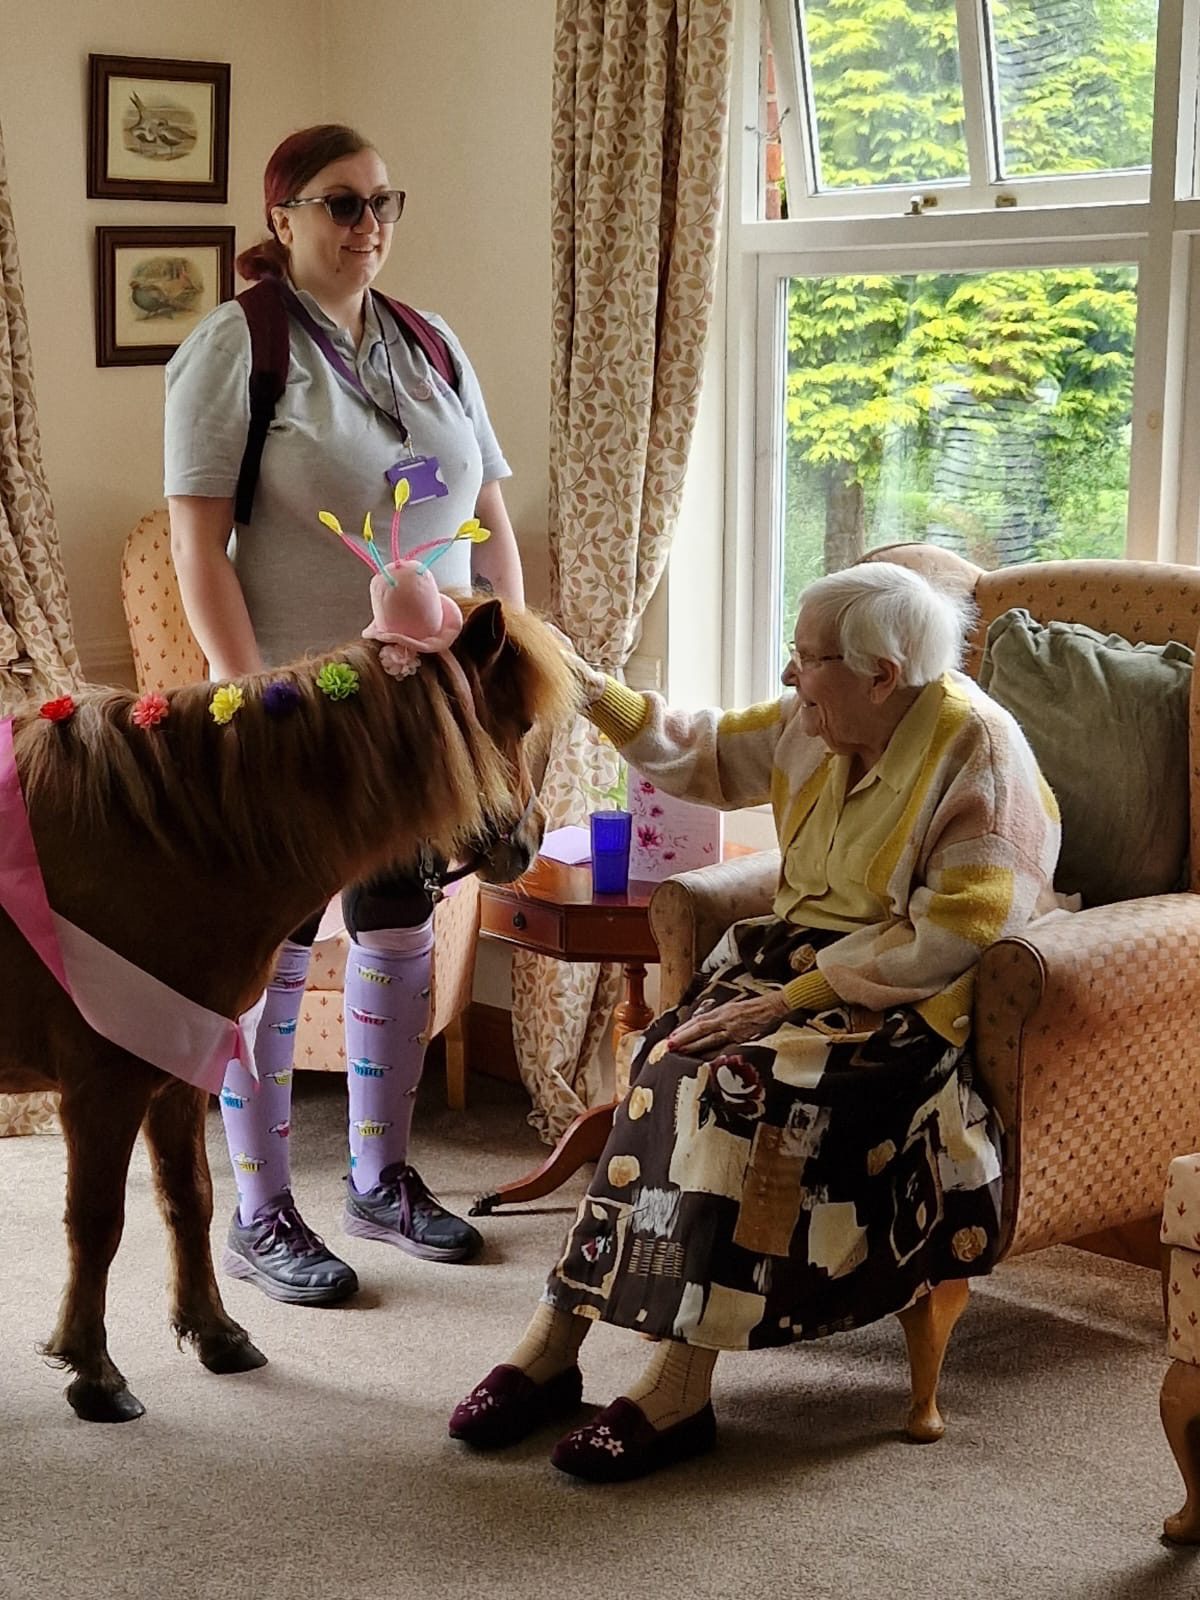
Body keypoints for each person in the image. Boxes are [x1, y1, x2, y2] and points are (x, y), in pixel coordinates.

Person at [449, 561, 1061, 1480]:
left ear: (883, 675)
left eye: (806, 658)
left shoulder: (980, 754)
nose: (788, 674)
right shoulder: (817, 717)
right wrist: (584, 685)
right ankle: (556, 1336)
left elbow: (957, 935)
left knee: (733, 1090)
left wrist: (788, 1003)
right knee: (663, 1059)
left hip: (904, 1004)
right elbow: (699, 751)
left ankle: (679, 1387)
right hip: (793, 961)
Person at [164, 124, 524, 1306]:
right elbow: (197, 548)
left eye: (381, 202)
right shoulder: (236, 348)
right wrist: (250, 692)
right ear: (282, 218)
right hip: (296, 706)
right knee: (271, 951)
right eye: (340, 203)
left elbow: (489, 518)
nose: (367, 225)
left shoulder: (433, 344)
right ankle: (260, 1210)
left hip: (425, 707)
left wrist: (503, 663)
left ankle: (381, 1178)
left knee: (397, 923)